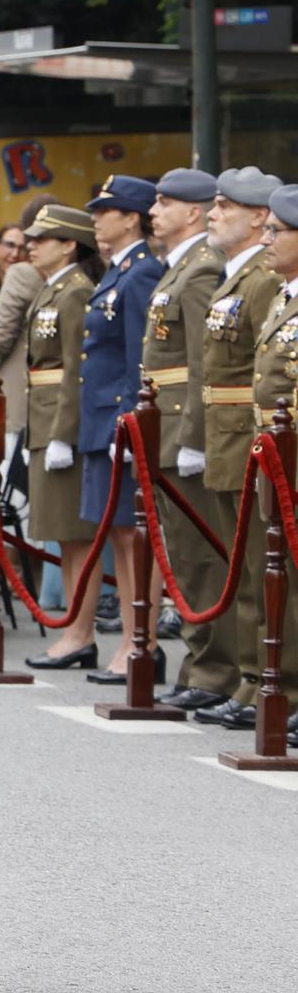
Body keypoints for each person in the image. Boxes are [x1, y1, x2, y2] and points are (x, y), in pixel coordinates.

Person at [178, 168, 283, 723]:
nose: (213, 213)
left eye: (225, 205)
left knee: (259, 567)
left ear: (259, 216)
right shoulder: (234, 276)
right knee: (240, 567)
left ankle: (264, 680)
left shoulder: (262, 279)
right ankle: (249, 678)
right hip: (228, 436)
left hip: (251, 437)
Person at [130, 168, 233, 702]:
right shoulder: (182, 268)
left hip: (182, 432)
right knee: (185, 560)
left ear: (192, 212)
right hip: (165, 429)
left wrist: (194, 436)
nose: (154, 211)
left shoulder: (199, 271)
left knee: (199, 560)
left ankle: (214, 672)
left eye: (166, 202)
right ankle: (200, 667)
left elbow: (201, 365)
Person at [63, 175, 164, 684]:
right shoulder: (119, 271)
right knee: (121, 534)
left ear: (131, 217)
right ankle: (131, 638)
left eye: (106, 210)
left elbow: (138, 356)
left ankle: (137, 641)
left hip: (119, 419)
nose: (97, 217)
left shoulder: (142, 272)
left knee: (133, 536)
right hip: (102, 418)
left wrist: (130, 422)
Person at [17, 206, 102, 667]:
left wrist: (64, 434)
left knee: (75, 535)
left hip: (59, 424)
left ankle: (80, 632)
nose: (31, 243)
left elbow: (75, 368)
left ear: (69, 244)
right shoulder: (54, 289)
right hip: (44, 421)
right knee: (63, 535)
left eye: (42, 237)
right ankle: (76, 629)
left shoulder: (75, 292)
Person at [237, 181, 298, 747]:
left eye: (279, 232)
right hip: (273, 452)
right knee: (275, 571)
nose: (269, 240)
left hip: (293, 452)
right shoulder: (283, 294)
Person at [0, 200, 52, 450]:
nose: (17, 252)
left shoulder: (22, 273)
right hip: (44, 405)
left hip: (14, 398)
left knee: (6, 486)